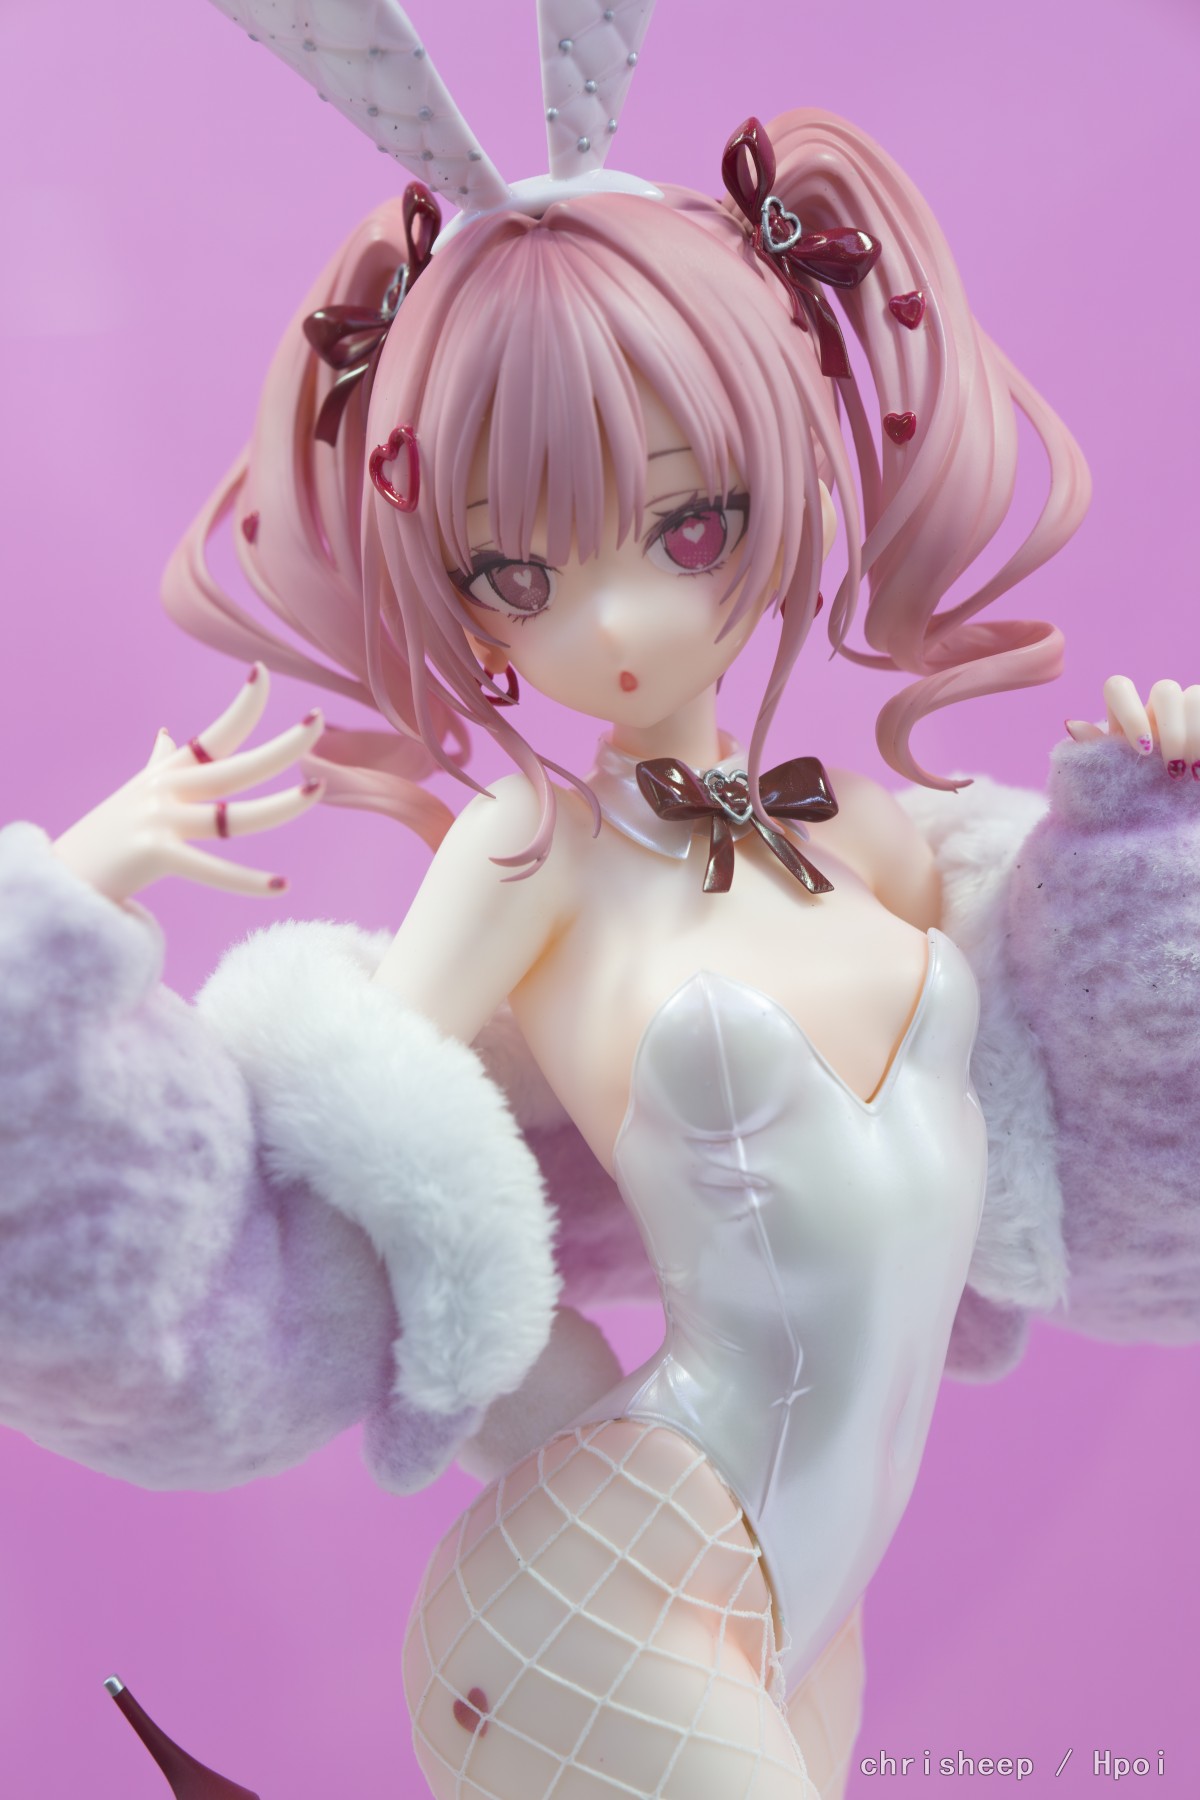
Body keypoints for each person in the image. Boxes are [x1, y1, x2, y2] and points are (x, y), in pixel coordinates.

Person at [2, 3, 1197, 1795]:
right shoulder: (528, 853)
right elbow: (343, 1149)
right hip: (604, 1584)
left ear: (782, 469)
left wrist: (1152, 834)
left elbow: (1105, 1087)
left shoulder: (878, 844)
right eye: (516, 566)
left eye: (688, 525)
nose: (617, 619)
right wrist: (60, 918)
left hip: (803, 1605)